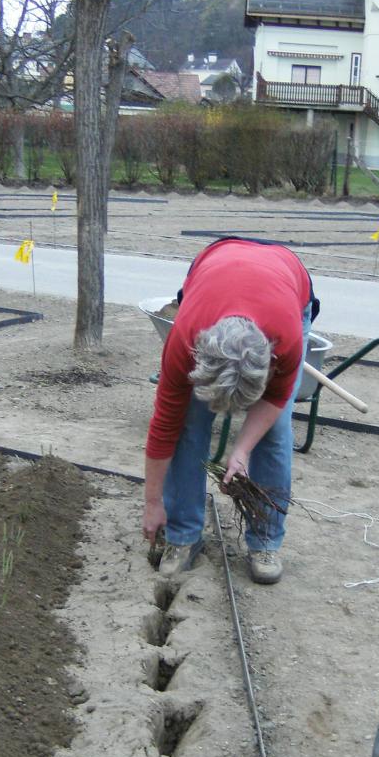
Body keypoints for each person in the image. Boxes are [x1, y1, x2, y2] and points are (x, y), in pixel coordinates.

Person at [142, 236, 318, 584]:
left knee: (276, 431)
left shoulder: (286, 338)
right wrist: (152, 503)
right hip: (214, 268)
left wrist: (241, 451)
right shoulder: (185, 339)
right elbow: (164, 427)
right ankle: (183, 535)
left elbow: (277, 399)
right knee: (189, 423)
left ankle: (265, 541)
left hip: (287, 282)